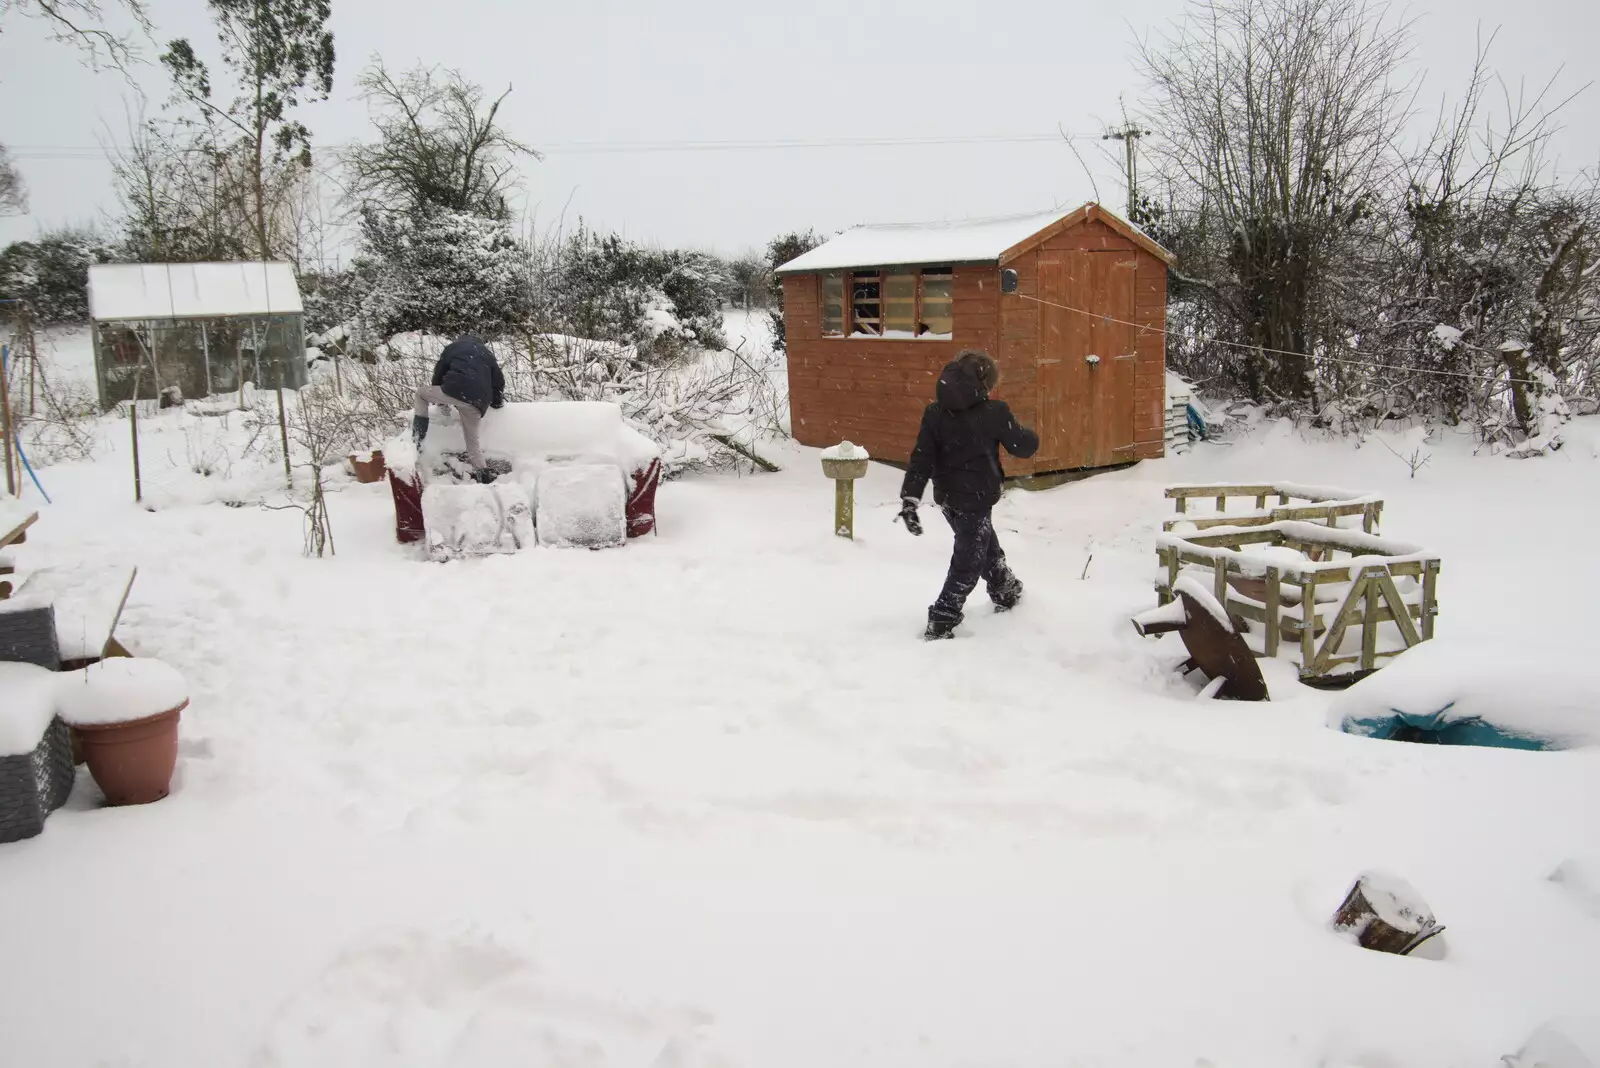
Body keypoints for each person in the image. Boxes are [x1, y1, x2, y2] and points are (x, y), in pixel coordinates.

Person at [898, 349, 1040, 640]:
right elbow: (1022, 447)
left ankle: (1005, 589)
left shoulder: (935, 413)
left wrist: (910, 499)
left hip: (950, 500)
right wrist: (1030, 435)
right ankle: (942, 618)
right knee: (968, 562)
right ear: (984, 383)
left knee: (983, 546)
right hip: (975, 499)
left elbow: (921, 458)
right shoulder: (994, 412)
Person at [412, 334, 505, 483]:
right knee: (473, 444)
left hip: (455, 390)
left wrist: (440, 399)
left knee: (421, 394)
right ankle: (484, 475)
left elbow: (439, 374)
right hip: (479, 401)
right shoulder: (486, 353)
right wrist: (497, 402)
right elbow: (498, 380)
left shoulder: (453, 348)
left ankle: (417, 437)